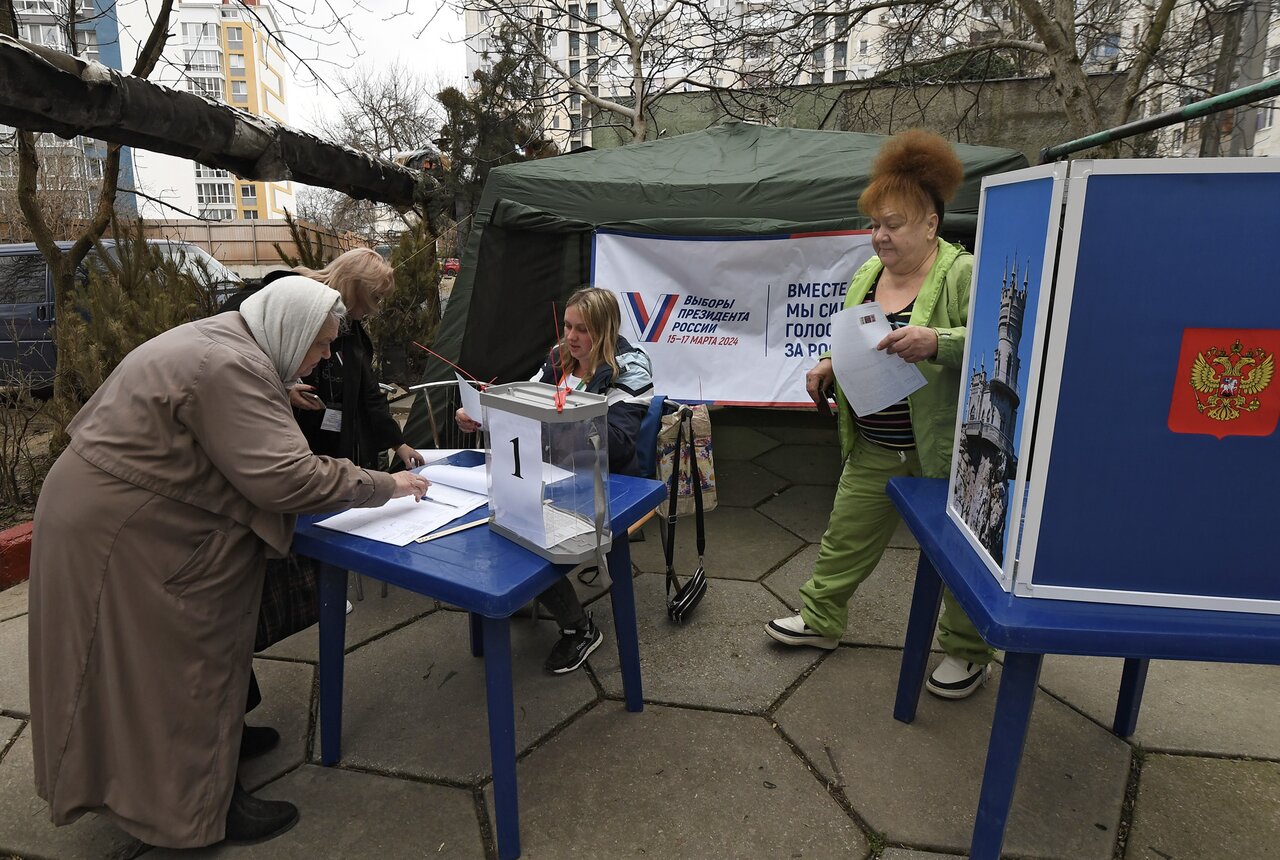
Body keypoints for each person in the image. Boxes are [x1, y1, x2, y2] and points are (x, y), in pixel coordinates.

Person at [27, 277, 430, 849]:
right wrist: (384, 483)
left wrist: (278, 388)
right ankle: (197, 812)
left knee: (150, 663)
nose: (322, 361)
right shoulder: (231, 368)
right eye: (319, 345)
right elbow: (289, 477)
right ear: (289, 330)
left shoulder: (232, 343)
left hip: (107, 516)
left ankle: (218, 755)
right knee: (180, 660)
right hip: (125, 534)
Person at [765, 129, 995, 700]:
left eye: (894, 224)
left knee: (957, 557)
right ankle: (820, 620)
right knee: (845, 534)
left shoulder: (961, 273)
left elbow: (995, 343)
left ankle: (968, 651)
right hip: (874, 443)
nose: (881, 235)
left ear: (931, 224)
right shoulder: (867, 276)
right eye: (875, 224)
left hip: (943, 450)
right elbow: (856, 342)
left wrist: (935, 341)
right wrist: (827, 365)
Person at [456, 286, 654, 674]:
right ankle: (528, 589)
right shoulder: (558, 357)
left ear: (607, 329)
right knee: (498, 511)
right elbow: (526, 403)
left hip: (603, 481)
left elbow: (616, 444)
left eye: (584, 329)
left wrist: (552, 426)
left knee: (521, 520)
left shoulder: (630, 368)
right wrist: (485, 415)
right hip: (548, 471)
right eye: (567, 326)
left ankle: (579, 629)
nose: (572, 337)